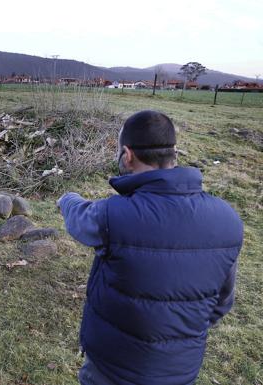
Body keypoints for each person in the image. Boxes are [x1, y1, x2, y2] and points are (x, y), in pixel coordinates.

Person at [58, 110, 243, 385]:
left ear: (127, 155)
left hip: (112, 369)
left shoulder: (112, 215)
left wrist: (67, 198)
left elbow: (78, 219)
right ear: (174, 153)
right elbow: (222, 302)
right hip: (180, 372)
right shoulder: (229, 219)